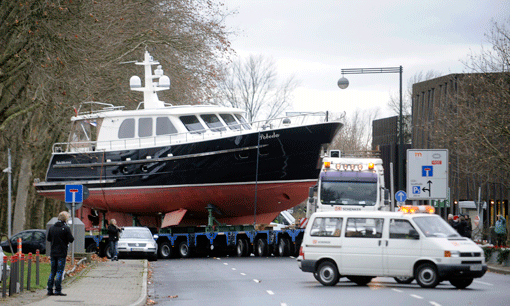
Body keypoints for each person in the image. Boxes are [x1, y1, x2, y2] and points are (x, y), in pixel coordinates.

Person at [47, 211, 74, 296]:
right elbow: (71, 239)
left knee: (52, 271)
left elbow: (48, 239)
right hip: (62, 252)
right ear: (66, 219)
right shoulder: (66, 228)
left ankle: (49, 289)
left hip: (53, 252)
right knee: (59, 271)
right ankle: (58, 290)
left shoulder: (52, 228)